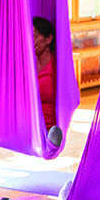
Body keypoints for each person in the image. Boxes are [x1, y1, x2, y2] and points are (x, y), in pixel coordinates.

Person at [33, 16, 64, 146]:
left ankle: (49, 142)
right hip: (29, 127)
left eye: (35, 36)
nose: (31, 41)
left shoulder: (57, 66)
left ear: (48, 39)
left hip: (49, 127)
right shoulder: (27, 64)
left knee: (51, 138)